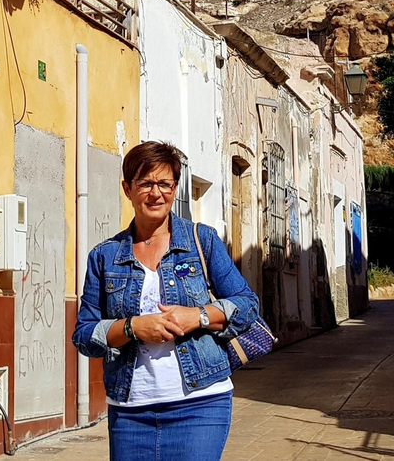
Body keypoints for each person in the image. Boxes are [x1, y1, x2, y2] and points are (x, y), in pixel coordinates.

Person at [72, 141, 262, 461]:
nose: (156, 193)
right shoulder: (104, 257)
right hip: (130, 411)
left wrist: (198, 316)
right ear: (128, 188)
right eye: (145, 183)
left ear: (174, 188)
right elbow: (84, 335)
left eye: (165, 184)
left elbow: (247, 304)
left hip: (201, 404)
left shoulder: (202, 241)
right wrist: (132, 327)